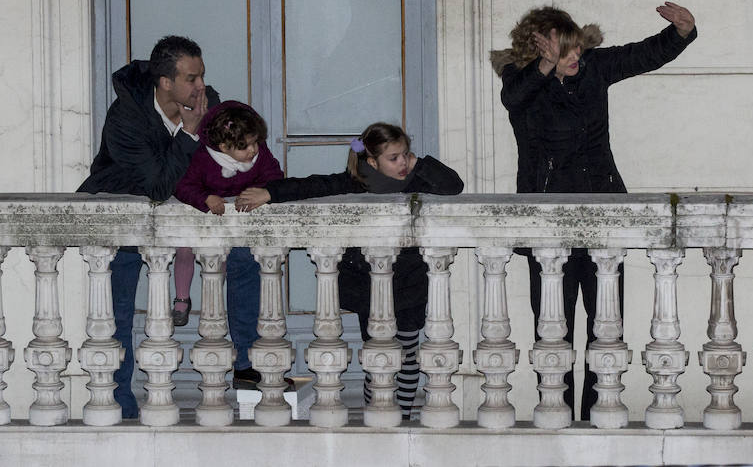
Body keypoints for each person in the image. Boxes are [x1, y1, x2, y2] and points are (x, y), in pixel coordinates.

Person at [489, 1, 697, 420]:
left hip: (604, 219)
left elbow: (643, 54)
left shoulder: (594, 69)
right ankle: (558, 413)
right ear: (540, 49)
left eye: (576, 49)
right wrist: (544, 68)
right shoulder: (522, 80)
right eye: (563, 51)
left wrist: (681, 32)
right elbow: (514, 98)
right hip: (548, 224)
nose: (574, 58)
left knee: (606, 327)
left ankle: (596, 414)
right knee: (554, 329)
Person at [77, 35, 262, 418]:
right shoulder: (126, 115)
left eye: (201, 77)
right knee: (119, 308)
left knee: (247, 254)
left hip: (190, 210)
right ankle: (120, 399)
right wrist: (191, 134)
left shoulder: (207, 102)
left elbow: (231, 153)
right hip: (127, 217)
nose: (201, 87)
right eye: (191, 79)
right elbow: (158, 186)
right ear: (165, 82)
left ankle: (247, 371)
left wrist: (259, 184)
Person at [236, 122, 464, 417]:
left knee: (408, 358)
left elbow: (453, 186)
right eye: (393, 158)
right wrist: (269, 193)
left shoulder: (417, 179)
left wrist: (417, 162)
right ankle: (377, 413)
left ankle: (403, 414)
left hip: (410, 283)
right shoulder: (355, 183)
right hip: (368, 285)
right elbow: (310, 186)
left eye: (405, 154)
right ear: (372, 161)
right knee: (378, 357)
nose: (403, 163)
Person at [172, 101, 284, 328]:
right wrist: (205, 199)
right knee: (184, 248)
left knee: (221, 260)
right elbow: (182, 186)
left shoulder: (259, 156)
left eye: (255, 143)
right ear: (224, 147)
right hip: (207, 213)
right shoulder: (204, 158)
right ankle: (182, 298)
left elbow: (275, 176)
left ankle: (215, 301)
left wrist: (263, 192)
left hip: (236, 222)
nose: (253, 150)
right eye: (245, 146)